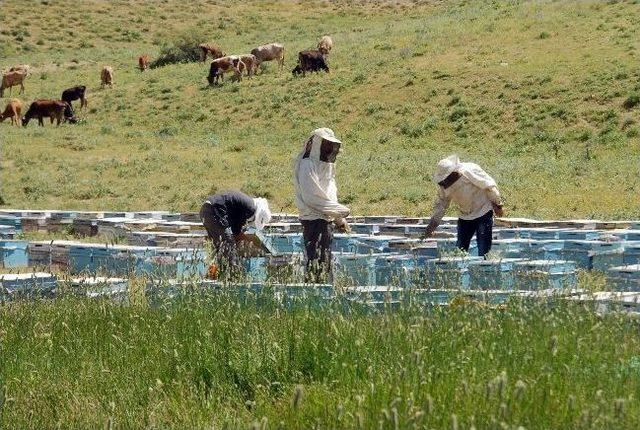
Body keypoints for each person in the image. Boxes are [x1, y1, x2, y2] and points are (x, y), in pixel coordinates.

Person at [294, 128, 350, 283]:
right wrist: (341, 211)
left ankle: (322, 296)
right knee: (317, 265)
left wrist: (339, 220)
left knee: (324, 265)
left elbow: (329, 195)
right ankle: (314, 297)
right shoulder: (307, 164)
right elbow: (312, 198)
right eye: (326, 145)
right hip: (314, 222)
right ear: (315, 143)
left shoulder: (325, 166)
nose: (329, 150)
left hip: (325, 221)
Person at [423, 155, 504, 257]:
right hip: (465, 215)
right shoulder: (445, 185)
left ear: (453, 172)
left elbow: (489, 186)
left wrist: (497, 204)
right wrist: (433, 224)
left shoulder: (470, 171)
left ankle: (484, 270)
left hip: (483, 211)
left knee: (483, 249)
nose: (446, 182)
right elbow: (442, 204)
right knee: (460, 249)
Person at [199, 190, 272, 275]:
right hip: (213, 211)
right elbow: (237, 233)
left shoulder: (246, 203)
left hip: (206, 210)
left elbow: (235, 230)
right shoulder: (249, 209)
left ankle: (214, 275)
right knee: (228, 245)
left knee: (218, 248)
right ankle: (232, 277)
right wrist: (255, 247)